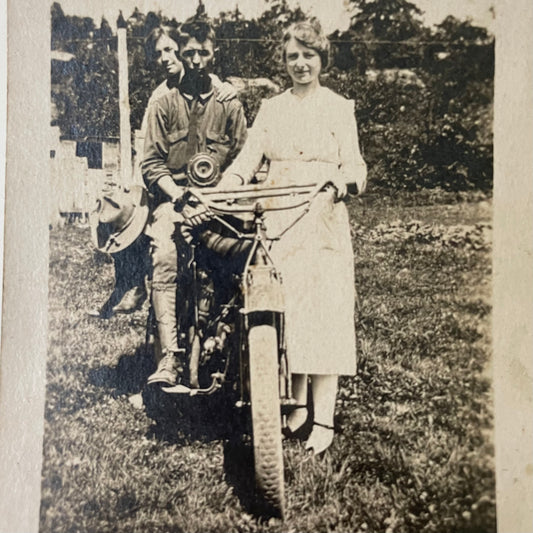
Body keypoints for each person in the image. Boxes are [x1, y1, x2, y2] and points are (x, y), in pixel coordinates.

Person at [218, 20, 367, 456]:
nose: (300, 64)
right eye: (292, 56)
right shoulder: (270, 108)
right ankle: (295, 404)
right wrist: (222, 191)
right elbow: (246, 163)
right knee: (286, 314)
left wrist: (339, 186)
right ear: (283, 62)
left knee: (325, 316)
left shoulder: (340, 107)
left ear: (322, 59)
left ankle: (323, 420)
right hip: (278, 221)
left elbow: (356, 168)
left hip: (321, 218)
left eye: (309, 55)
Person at [89, 24, 238, 319]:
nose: (166, 58)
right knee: (133, 216)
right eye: (158, 53)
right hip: (168, 186)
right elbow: (150, 153)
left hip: (211, 189)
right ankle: (134, 284)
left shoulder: (219, 92)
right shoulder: (161, 97)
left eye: (170, 50)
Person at [142, 13, 248, 386]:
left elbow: (243, 159)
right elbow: (151, 164)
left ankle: (232, 348)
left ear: (214, 52)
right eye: (189, 53)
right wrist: (180, 197)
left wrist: (216, 200)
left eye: (203, 52)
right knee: (166, 256)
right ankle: (169, 356)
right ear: (181, 53)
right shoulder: (164, 101)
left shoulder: (229, 102)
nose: (196, 60)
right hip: (174, 201)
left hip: (221, 201)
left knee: (245, 256)